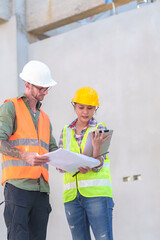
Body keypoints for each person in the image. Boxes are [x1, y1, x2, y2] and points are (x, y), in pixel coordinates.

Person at [0, 60, 58, 240]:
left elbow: (53, 149)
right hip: (18, 189)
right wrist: (24, 155)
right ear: (28, 85)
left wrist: (71, 163)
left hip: (41, 191)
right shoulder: (11, 107)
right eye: (42, 88)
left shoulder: (45, 118)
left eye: (47, 88)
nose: (45, 92)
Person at [58, 87, 114, 240]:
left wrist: (96, 151)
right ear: (74, 106)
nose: (85, 112)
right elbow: (60, 165)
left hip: (97, 196)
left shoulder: (100, 128)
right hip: (72, 197)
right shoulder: (65, 131)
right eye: (81, 107)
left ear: (95, 108)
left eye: (90, 108)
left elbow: (99, 164)